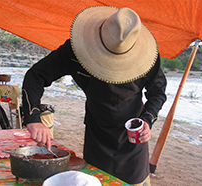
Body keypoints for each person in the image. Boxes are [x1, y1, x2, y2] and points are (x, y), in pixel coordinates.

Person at [22, 6, 167, 186]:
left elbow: (157, 92)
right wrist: (33, 117)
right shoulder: (76, 50)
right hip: (97, 137)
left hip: (132, 141)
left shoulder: (146, 57)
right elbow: (36, 75)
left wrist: (147, 120)